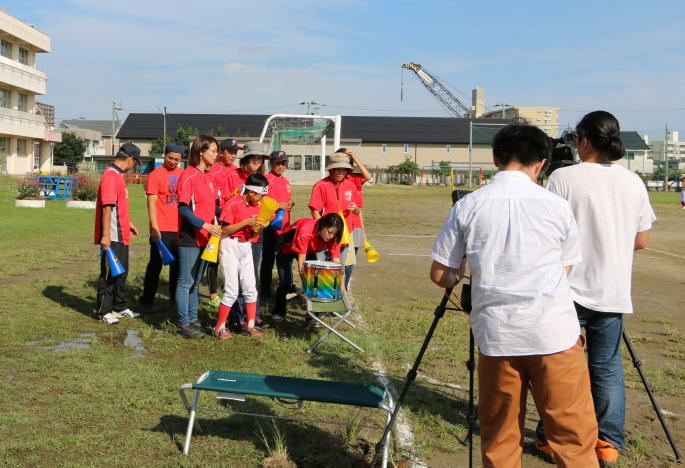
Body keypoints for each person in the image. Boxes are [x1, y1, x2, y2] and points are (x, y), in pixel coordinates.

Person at [430, 124, 599, 468]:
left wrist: (459, 271)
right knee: (574, 439)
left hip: (498, 338)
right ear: (541, 163)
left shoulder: (468, 206)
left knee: (501, 440)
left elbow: (440, 274)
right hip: (555, 334)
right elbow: (565, 269)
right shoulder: (556, 206)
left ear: (495, 158)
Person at [535, 111, 656, 464]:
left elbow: (548, 232)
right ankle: (608, 442)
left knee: (557, 366)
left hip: (567, 288)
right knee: (607, 367)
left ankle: (552, 436)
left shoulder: (562, 178)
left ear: (583, 140)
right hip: (612, 287)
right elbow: (643, 239)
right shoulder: (633, 182)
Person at [175, 135, 222, 339]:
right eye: (212, 150)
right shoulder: (189, 175)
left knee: (195, 283)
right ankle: (183, 324)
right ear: (201, 152)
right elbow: (183, 209)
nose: (216, 154)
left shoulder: (210, 176)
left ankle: (193, 319)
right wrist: (205, 225)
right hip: (190, 237)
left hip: (207, 238)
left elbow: (214, 207)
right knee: (185, 282)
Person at [213, 173, 269, 339]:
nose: (261, 199)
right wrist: (246, 222)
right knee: (231, 290)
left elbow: (252, 233)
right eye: (260, 195)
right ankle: (219, 327)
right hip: (230, 245)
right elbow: (224, 230)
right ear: (250, 192)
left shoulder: (257, 206)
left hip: (246, 246)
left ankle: (250, 325)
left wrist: (258, 227)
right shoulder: (234, 202)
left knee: (250, 288)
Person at [221, 141, 270, 329]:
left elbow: (265, 205)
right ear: (246, 160)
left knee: (251, 277)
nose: (257, 162)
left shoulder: (263, 179)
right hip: (235, 237)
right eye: (254, 158)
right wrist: (234, 195)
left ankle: (253, 315)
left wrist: (265, 219)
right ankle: (237, 316)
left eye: (260, 159)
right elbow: (224, 202)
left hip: (255, 234)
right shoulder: (233, 176)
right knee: (235, 280)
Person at [94, 143, 142, 324]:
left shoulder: (118, 176)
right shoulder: (110, 176)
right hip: (113, 235)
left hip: (121, 232)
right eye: (135, 163)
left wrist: (128, 223)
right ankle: (104, 311)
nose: (134, 166)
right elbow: (107, 207)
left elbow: (118, 204)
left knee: (122, 273)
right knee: (111, 273)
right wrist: (105, 235)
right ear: (130, 160)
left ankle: (119, 306)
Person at [138, 143, 184, 312]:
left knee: (178, 267)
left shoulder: (183, 174)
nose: (173, 162)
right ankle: (147, 300)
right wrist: (154, 228)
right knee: (155, 265)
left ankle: (174, 300)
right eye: (170, 158)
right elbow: (151, 202)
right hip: (161, 228)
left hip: (179, 229)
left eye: (177, 159)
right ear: (164, 156)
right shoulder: (155, 174)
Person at [271, 213, 344, 320]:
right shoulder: (306, 231)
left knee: (316, 280)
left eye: (334, 234)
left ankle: (313, 315)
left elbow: (336, 262)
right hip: (286, 248)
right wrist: (307, 285)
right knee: (285, 282)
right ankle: (279, 311)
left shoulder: (334, 238)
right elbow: (302, 265)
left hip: (308, 249)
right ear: (323, 225)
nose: (331, 236)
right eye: (330, 232)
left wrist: (341, 285)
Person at [308, 154, 363, 288]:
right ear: (331, 170)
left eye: (343, 170)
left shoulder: (351, 186)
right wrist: (322, 232)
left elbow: (358, 211)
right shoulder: (321, 185)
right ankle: (319, 299)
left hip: (343, 235)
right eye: (337, 169)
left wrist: (355, 208)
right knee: (321, 269)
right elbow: (315, 210)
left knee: (338, 268)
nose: (340, 173)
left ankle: (336, 300)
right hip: (324, 235)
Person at [206, 138, 242, 308]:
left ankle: (232, 291)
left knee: (230, 256)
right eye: (230, 151)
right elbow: (213, 197)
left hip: (234, 218)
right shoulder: (213, 169)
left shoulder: (237, 170)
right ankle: (213, 293)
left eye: (235, 152)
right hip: (217, 217)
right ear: (221, 152)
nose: (233, 155)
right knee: (213, 257)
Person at [259, 150, 293, 297]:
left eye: (283, 163)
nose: (281, 166)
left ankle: (285, 287)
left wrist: (289, 204)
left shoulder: (285, 181)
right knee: (268, 259)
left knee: (284, 258)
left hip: (284, 226)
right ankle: (265, 291)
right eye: (278, 163)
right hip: (269, 226)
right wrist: (278, 205)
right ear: (271, 163)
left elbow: (286, 200)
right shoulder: (266, 180)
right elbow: (261, 201)